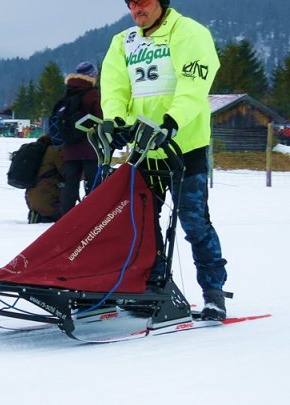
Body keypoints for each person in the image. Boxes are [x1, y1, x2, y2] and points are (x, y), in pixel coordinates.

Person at [100, 0, 227, 320]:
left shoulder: (189, 33)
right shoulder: (124, 41)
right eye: (131, 3)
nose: (136, 8)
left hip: (184, 146)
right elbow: (114, 87)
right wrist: (115, 121)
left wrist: (171, 123)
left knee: (195, 222)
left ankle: (213, 294)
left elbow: (193, 87)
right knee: (141, 224)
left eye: (143, 1)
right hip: (144, 149)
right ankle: (154, 286)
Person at [58, 61, 103, 215]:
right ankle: (93, 217)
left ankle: (66, 218)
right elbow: (100, 117)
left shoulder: (69, 92)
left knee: (70, 185)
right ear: (92, 76)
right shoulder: (92, 93)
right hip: (90, 147)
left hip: (70, 148)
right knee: (94, 185)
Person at [25, 137, 64, 224]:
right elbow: (66, 172)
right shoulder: (53, 152)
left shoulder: (34, 152)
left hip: (32, 202)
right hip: (49, 203)